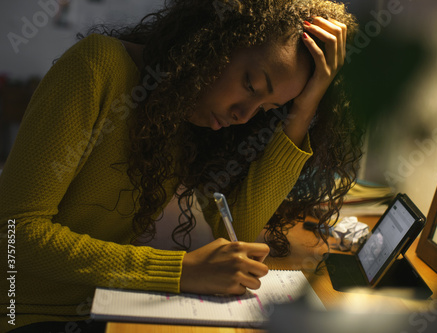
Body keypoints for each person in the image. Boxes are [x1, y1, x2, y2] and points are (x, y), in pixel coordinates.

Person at [0, 0, 361, 332]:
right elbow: (14, 235)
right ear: (215, 41)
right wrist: (180, 272)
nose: (243, 116)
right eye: (250, 84)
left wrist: (302, 111)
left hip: (108, 308)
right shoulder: (96, 67)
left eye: (266, 108)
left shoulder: (187, 119)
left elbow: (238, 230)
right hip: (28, 314)